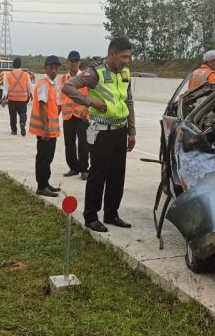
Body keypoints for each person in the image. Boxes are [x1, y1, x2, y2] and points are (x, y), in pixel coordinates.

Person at [62, 37, 136, 233]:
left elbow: (128, 101)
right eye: (123, 57)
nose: (126, 61)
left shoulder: (125, 73)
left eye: (129, 57)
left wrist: (132, 131)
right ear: (111, 54)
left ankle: (111, 214)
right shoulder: (95, 73)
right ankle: (91, 216)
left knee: (117, 176)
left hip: (120, 132)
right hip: (101, 133)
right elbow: (68, 87)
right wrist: (89, 102)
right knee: (98, 175)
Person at [30, 56, 63, 198]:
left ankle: (45, 182)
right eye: (51, 67)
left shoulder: (51, 84)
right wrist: (46, 128)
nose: (54, 70)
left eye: (56, 68)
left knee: (48, 158)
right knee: (43, 158)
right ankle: (41, 186)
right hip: (45, 131)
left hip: (51, 130)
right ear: (45, 68)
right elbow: (43, 107)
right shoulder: (44, 84)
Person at [58, 51, 89, 180]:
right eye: (72, 61)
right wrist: (57, 113)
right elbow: (60, 98)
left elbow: (91, 96)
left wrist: (87, 110)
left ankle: (84, 169)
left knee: (83, 144)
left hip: (82, 116)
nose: (74, 63)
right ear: (68, 62)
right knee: (69, 143)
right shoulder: (63, 79)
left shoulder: (86, 77)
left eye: (76, 61)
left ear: (79, 62)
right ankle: (73, 167)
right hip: (68, 116)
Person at [1, 57, 32, 136]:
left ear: (13, 65)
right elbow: (29, 86)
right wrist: (30, 94)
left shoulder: (8, 75)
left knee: (13, 115)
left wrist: (4, 99)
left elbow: (6, 88)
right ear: (20, 65)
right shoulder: (26, 75)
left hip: (12, 98)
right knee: (23, 113)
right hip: (23, 98)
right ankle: (22, 123)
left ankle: (14, 130)